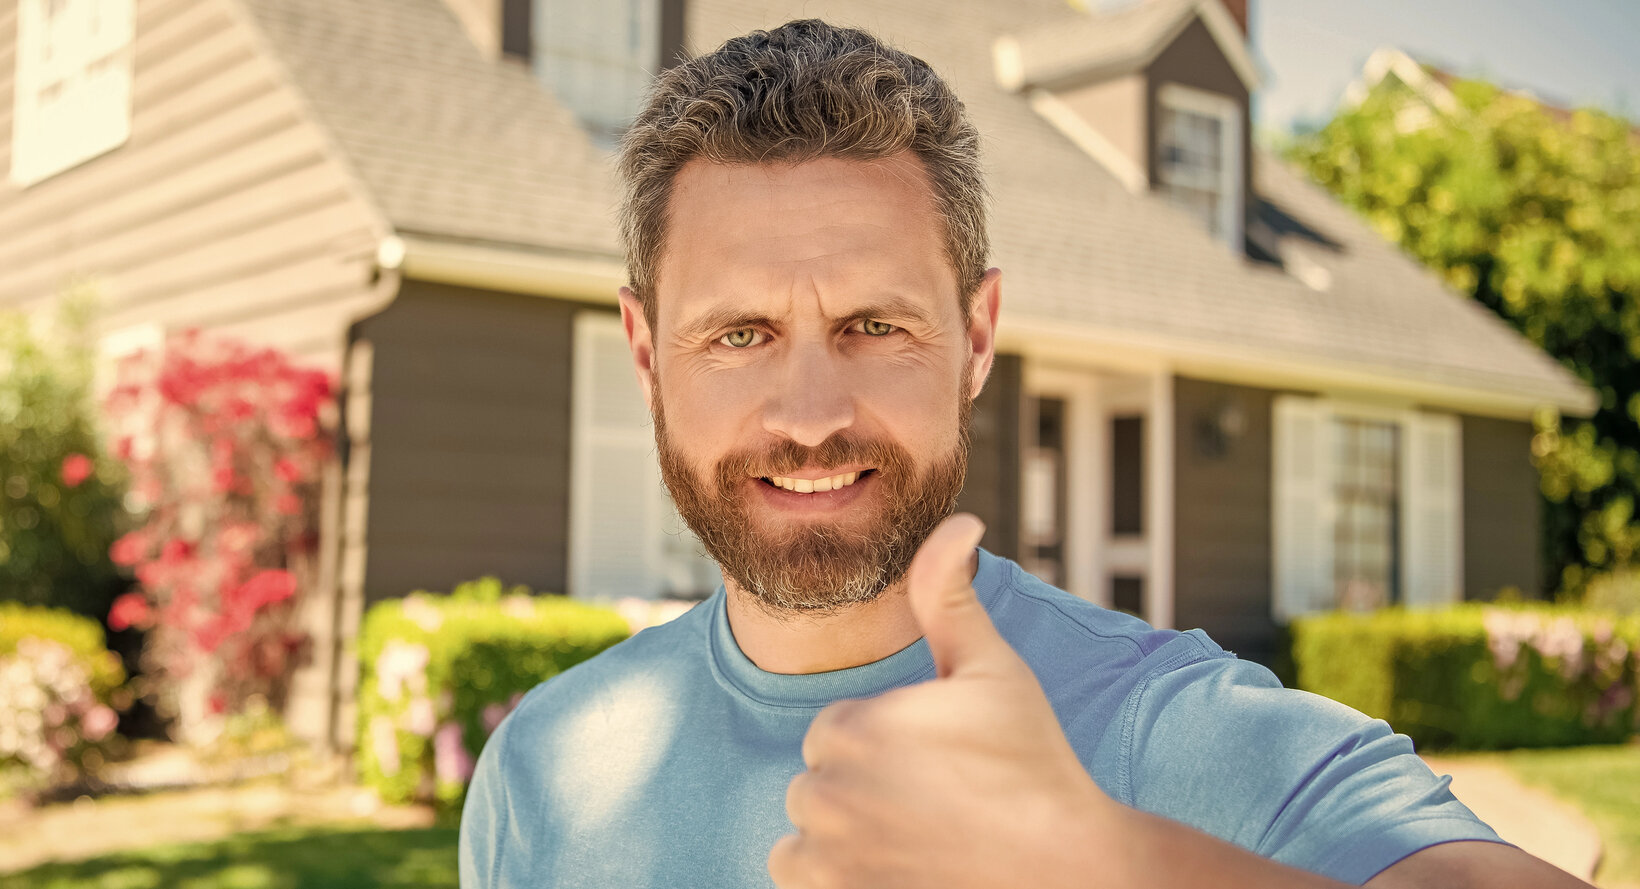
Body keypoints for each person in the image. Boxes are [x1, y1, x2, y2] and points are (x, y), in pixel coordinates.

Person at [458, 19, 1590, 889]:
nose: (805, 413)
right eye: (738, 334)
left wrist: (1091, 860)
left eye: (874, 325)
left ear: (977, 337)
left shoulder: (1168, 728)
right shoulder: (542, 772)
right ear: (648, 354)